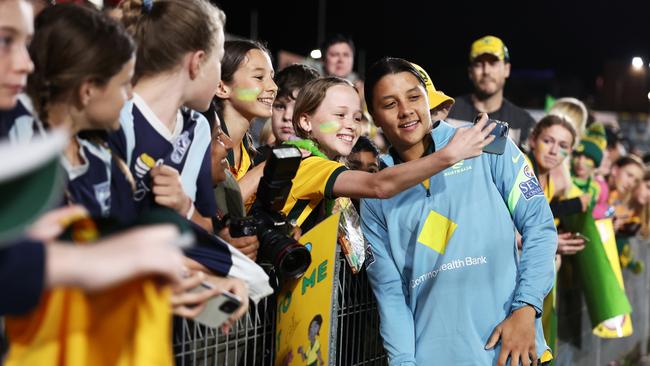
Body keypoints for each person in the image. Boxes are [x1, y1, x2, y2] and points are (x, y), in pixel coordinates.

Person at [361, 57, 556, 366]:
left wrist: (525, 310)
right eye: (389, 104)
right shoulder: (374, 195)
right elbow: (389, 293)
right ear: (374, 116)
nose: (406, 110)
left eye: (414, 96)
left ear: (428, 98)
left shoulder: (486, 141)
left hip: (512, 349)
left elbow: (540, 227)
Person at [281, 76, 495, 233]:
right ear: (305, 121)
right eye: (339, 115)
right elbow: (378, 185)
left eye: (356, 118)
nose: (350, 125)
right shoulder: (306, 163)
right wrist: (450, 155)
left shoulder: (323, 164)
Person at [111, 0, 226, 231]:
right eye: (219, 60)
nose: (220, 75)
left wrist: (185, 207)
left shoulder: (198, 128)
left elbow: (206, 227)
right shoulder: (117, 116)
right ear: (197, 62)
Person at [214, 39, 277, 202]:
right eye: (259, 77)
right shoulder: (204, 143)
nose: (274, 87)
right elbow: (218, 210)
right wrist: (266, 168)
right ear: (221, 88)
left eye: (271, 77)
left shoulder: (248, 152)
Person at [448, 35, 536, 147]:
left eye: (493, 63)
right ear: (470, 72)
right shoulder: (448, 112)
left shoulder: (524, 123)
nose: (486, 71)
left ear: (507, 69)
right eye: (479, 64)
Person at [271, 63, 320, 144]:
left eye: (297, 108)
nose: (287, 117)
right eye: (280, 107)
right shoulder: (256, 155)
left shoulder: (320, 157)